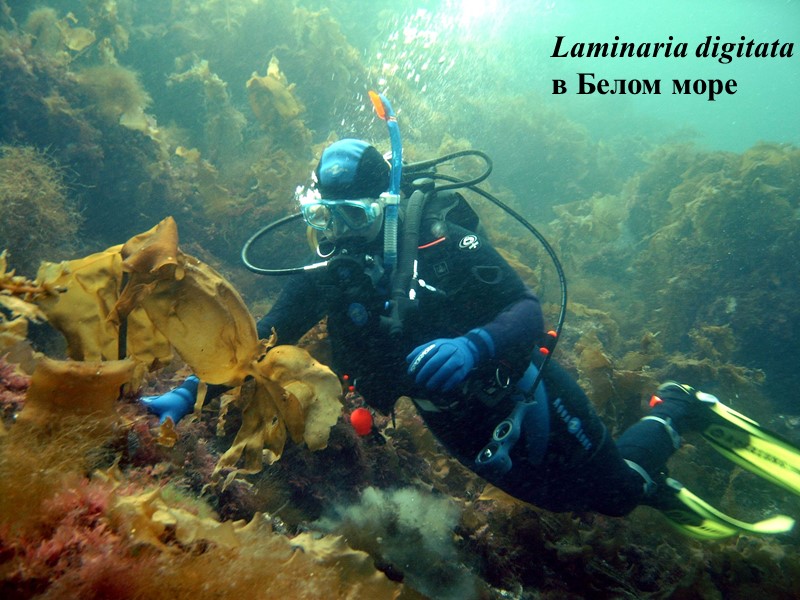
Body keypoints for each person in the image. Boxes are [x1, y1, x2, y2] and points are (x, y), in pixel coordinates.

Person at [143, 137, 800, 539]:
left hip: (521, 391)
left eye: (352, 217)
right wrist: (192, 392)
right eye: (324, 217)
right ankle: (642, 477)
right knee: (567, 502)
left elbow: (525, 310)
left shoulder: (443, 243)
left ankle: (680, 408)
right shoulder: (329, 277)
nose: (337, 234)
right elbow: (255, 341)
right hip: (452, 419)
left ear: (387, 208)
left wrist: (475, 347)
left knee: (615, 494)